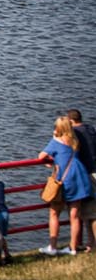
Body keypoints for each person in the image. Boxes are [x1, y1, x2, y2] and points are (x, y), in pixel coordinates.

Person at [38, 116, 92, 255]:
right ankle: (73, 248)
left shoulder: (56, 141)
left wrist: (49, 161)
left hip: (64, 178)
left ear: (58, 128)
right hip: (79, 176)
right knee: (74, 216)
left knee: (54, 213)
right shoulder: (75, 140)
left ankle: (53, 247)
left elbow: (41, 156)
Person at [67, 109, 96, 250]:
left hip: (88, 174)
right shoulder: (90, 129)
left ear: (71, 121)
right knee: (90, 213)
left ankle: (93, 244)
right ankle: (90, 243)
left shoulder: (76, 133)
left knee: (91, 213)